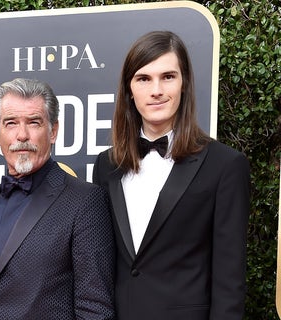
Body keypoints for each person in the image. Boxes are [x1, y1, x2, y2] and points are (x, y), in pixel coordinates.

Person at [93, 31, 250, 320]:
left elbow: (230, 282)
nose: (156, 90)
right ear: (129, 89)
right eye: (143, 78)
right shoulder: (107, 165)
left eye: (168, 76)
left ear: (184, 84)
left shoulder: (225, 165)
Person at [0, 78, 115, 319]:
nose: (22, 135)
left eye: (34, 122)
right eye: (11, 123)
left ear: (53, 131)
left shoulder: (85, 202)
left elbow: (95, 309)